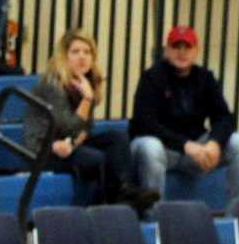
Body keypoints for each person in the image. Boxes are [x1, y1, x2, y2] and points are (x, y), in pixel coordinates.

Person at [24, 30, 158, 211]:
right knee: (94, 158)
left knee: (117, 138)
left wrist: (73, 143)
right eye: (75, 52)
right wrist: (87, 99)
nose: (82, 57)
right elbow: (69, 127)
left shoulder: (85, 82)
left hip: (68, 144)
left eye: (87, 52)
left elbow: (84, 129)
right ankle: (94, 210)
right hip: (45, 147)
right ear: (64, 57)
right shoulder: (52, 85)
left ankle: (125, 190)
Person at [130, 25, 239, 204]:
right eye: (176, 46)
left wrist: (214, 143)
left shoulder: (205, 77)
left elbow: (224, 117)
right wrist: (185, 145)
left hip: (197, 149)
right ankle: (153, 216)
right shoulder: (152, 77)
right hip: (164, 148)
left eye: (187, 47)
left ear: (197, 50)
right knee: (150, 147)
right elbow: (144, 123)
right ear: (167, 50)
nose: (182, 52)